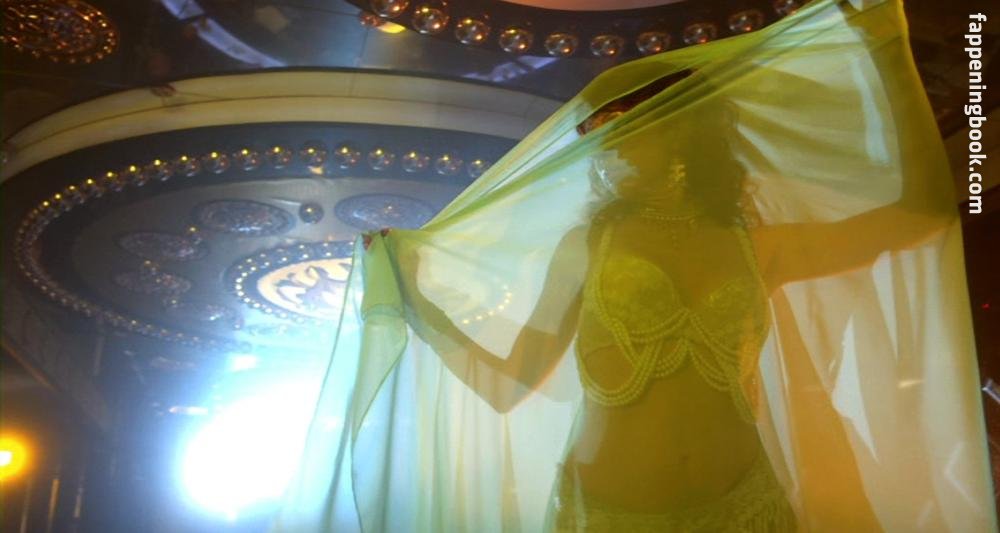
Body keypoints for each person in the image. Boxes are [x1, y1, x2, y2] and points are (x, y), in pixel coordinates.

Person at [274, 0, 997, 531]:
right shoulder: (591, 242)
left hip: (746, 508)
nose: (606, 148)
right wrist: (414, 299)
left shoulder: (754, 241)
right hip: (609, 515)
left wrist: (880, 49)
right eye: (596, 134)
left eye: (621, 128)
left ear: (679, 128)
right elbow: (508, 382)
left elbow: (917, 219)